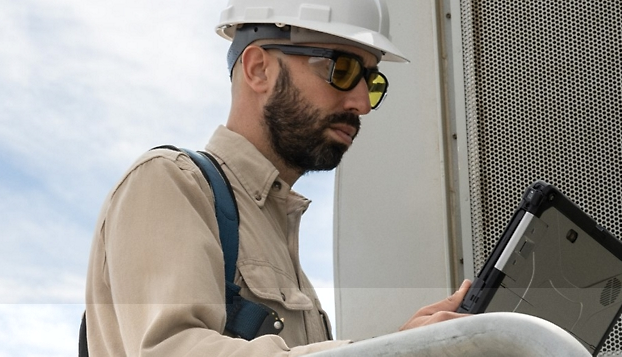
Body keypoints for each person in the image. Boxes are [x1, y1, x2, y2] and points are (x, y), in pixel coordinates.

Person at [84, 0, 472, 355]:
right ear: (258, 69)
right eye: (342, 69)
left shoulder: (280, 244)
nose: (362, 103)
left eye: (371, 81)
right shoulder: (171, 182)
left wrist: (406, 346)